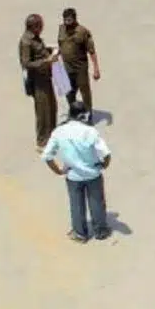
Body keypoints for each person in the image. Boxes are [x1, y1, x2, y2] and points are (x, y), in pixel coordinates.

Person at [42, 102, 110, 242]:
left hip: (73, 176)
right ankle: (101, 231)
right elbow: (106, 154)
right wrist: (104, 165)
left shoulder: (59, 132)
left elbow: (47, 156)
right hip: (93, 174)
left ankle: (80, 234)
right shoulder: (90, 131)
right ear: (82, 116)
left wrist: (58, 170)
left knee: (76, 205)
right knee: (97, 203)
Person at [20, 13, 59, 152]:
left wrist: (50, 50)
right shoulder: (26, 42)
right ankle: (42, 141)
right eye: (40, 25)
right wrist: (46, 61)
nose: (42, 28)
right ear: (33, 27)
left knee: (52, 107)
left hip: (45, 77)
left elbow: (39, 51)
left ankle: (52, 136)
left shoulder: (35, 38)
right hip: (37, 81)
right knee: (43, 112)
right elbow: (26, 63)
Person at [57, 8, 100, 112]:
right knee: (68, 90)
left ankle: (88, 112)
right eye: (65, 20)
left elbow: (92, 51)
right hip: (66, 66)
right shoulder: (61, 29)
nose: (67, 23)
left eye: (69, 20)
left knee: (84, 90)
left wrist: (96, 69)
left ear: (75, 19)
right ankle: (73, 110)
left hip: (80, 67)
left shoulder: (83, 31)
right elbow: (61, 44)